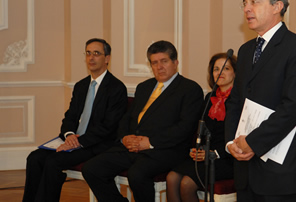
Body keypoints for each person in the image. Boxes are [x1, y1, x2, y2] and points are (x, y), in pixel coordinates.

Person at [225, 0, 296, 201]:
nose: (247, 8)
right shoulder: (246, 50)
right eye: (245, 2)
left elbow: (292, 108)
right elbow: (235, 101)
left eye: (255, 2)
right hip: (245, 167)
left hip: (281, 169)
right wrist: (232, 143)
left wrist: (252, 142)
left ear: (277, 7)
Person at [82, 40, 204, 202]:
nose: (159, 67)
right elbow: (126, 119)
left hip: (166, 150)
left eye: (164, 61)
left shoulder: (190, 89)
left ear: (175, 63)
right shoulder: (144, 87)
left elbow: (185, 128)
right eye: (154, 63)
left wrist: (150, 142)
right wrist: (125, 138)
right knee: (92, 168)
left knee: (137, 174)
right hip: (132, 147)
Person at [22, 38, 128, 202]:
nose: (91, 58)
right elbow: (70, 117)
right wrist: (70, 135)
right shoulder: (81, 86)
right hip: (74, 140)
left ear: (107, 58)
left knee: (53, 162)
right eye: (88, 53)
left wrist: (79, 142)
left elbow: (108, 127)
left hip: (96, 144)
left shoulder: (116, 88)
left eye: (96, 53)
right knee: (34, 158)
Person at [166, 52, 236, 202]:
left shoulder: (240, 100)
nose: (220, 72)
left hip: (227, 158)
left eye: (226, 68)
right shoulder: (209, 97)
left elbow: (239, 137)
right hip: (206, 154)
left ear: (235, 73)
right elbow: (202, 130)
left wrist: (214, 153)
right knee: (171, 178)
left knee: (186, 184)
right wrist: (198, 149)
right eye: (216, 69)